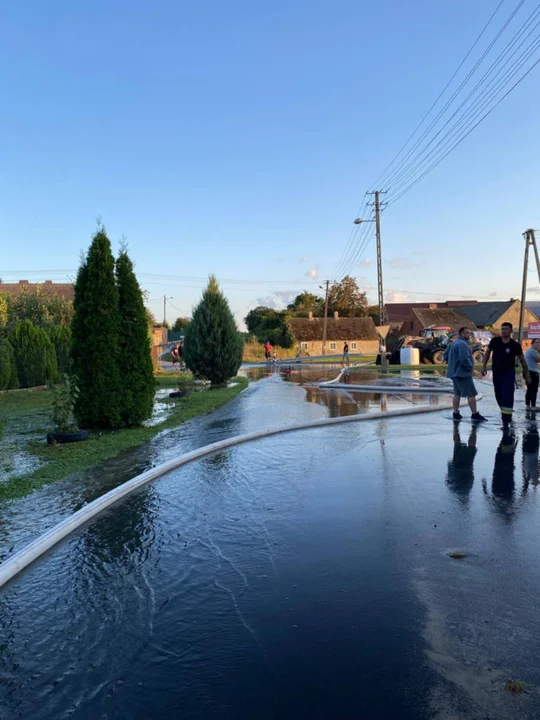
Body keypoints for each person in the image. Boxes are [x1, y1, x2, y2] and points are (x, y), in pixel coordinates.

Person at [482, 322, 530, 424]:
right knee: (498, 394)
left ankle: (507, 419)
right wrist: (484, 366)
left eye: (506, 329)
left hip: (508, 373)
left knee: (507, 394)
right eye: (502, 329)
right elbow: (487, 352)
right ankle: (504, 411)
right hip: (497, 372)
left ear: (511, 331)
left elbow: (522, 360)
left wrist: (527, 375)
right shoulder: (495, 341)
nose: (504, 331)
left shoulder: (515, 345)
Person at [444, 326, 487, 422]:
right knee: (471, 394)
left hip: (453, 373)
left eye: (469, 333)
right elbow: (464, 359)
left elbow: (445, 355)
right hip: (462, 373)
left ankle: (456, 413)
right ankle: (474, 414)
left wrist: (451, 363)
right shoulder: (462, 344)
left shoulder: (453, 344)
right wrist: (470, 368)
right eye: (466, 333)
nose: (468, 335)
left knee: (457, 394)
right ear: (461, 334)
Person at [525, 338, 540, 410]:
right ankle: (533, 406)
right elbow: (538, 359)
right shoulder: (533, 351)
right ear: (532, 343)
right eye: (536, 342)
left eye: (539, 343)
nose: (538, 344)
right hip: (532, 372)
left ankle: (528, 405)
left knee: (529, 389)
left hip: (527, 371)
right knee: (534, 389)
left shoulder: (530, 351)